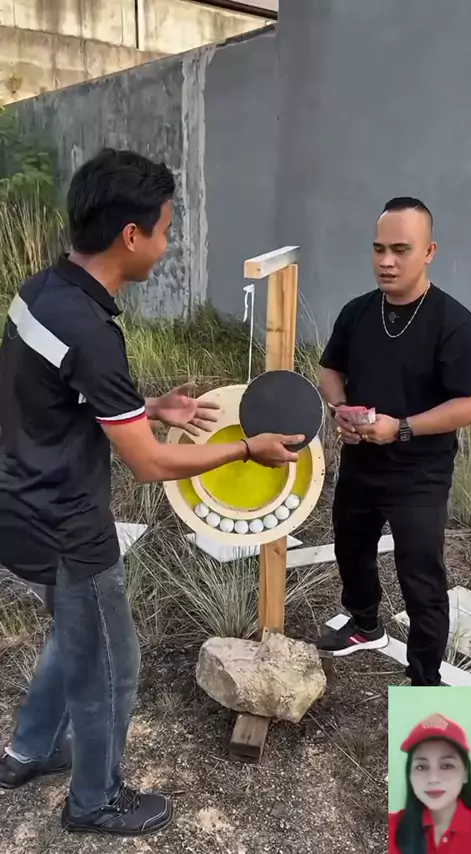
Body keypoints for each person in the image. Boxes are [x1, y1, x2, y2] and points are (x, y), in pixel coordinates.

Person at [0, 148, 302, 837]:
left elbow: (56, 393)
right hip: (68, 525)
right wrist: (247, 448)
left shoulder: (41, 291)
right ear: (130, 235)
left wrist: (144, 407)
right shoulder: (92, 331)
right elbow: (150, 464)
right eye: (165, 230)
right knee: (111, 664)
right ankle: (95, 802)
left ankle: (29, 751)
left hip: (16, 503)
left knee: (73, 635)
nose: (166, 246)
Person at [316, 197, 471, 686]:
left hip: (419, 473)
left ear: (429, 252)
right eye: (379, 249)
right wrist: (339, 408)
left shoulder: (455, 325)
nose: (386, 261)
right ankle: (365, 624)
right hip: (361, 461)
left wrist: (401, 427)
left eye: (400, 250)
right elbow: (329, 369)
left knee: (421, 579)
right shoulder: (357, 313)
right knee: (351, 547)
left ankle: (425, 681)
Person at [389, 713, 471, 853]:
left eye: (447, 766)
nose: (433, 778)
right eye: (422, 767)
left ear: (465, 774)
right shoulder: (391, 826)